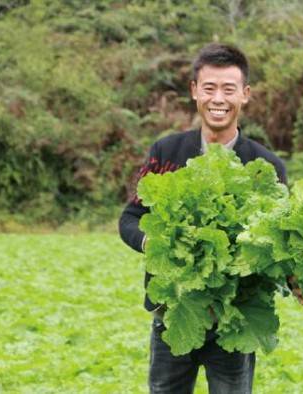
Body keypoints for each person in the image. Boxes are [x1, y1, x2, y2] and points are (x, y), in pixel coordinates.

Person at [119, 43, 286, 394]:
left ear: (245, 94)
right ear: (195, 91)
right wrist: (154, 243)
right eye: (209, 88)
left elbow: (277, 243)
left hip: (233, 317)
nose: (218, 98)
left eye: (229, 89)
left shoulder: (266, 167)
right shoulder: (166, 152)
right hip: (174, 310)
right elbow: (131, 218)